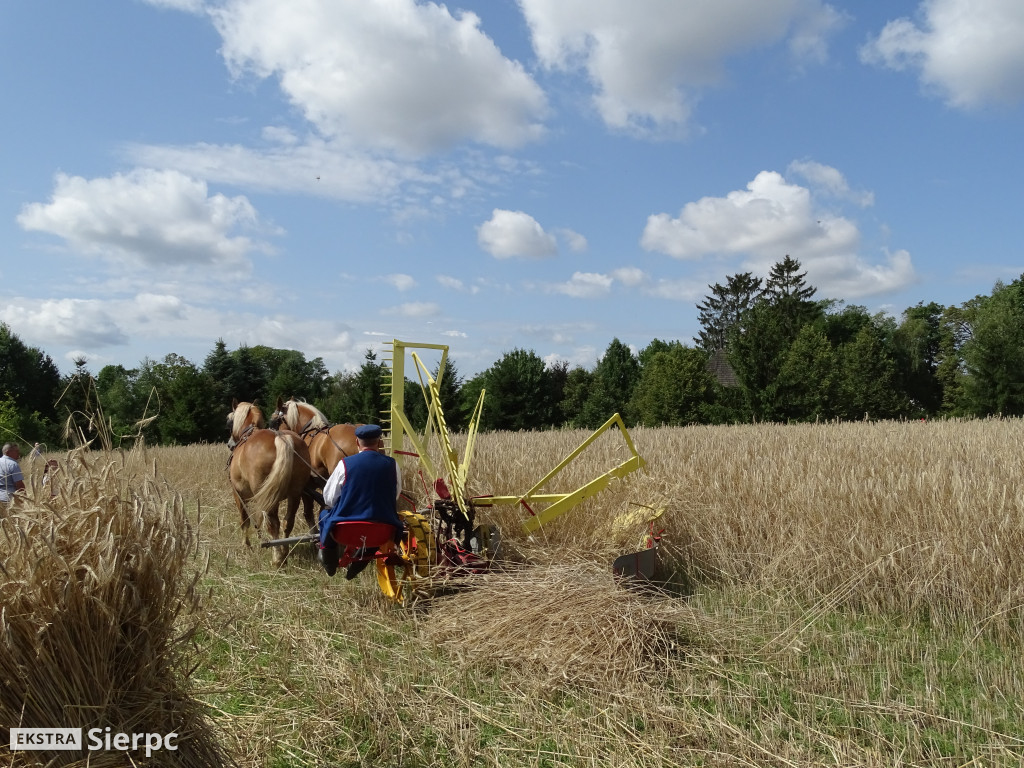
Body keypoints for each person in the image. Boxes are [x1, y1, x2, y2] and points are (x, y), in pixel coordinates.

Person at [318, 424, 404, 579]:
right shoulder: (392, 465)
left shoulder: (345, 464)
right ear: (379, 442)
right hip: (382, 531)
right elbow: (395, 495)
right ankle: (363, 558)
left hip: (344, 532)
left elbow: (329, 498)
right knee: (375, 530)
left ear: (357, 442)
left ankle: (329, 559)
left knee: (324, 515)